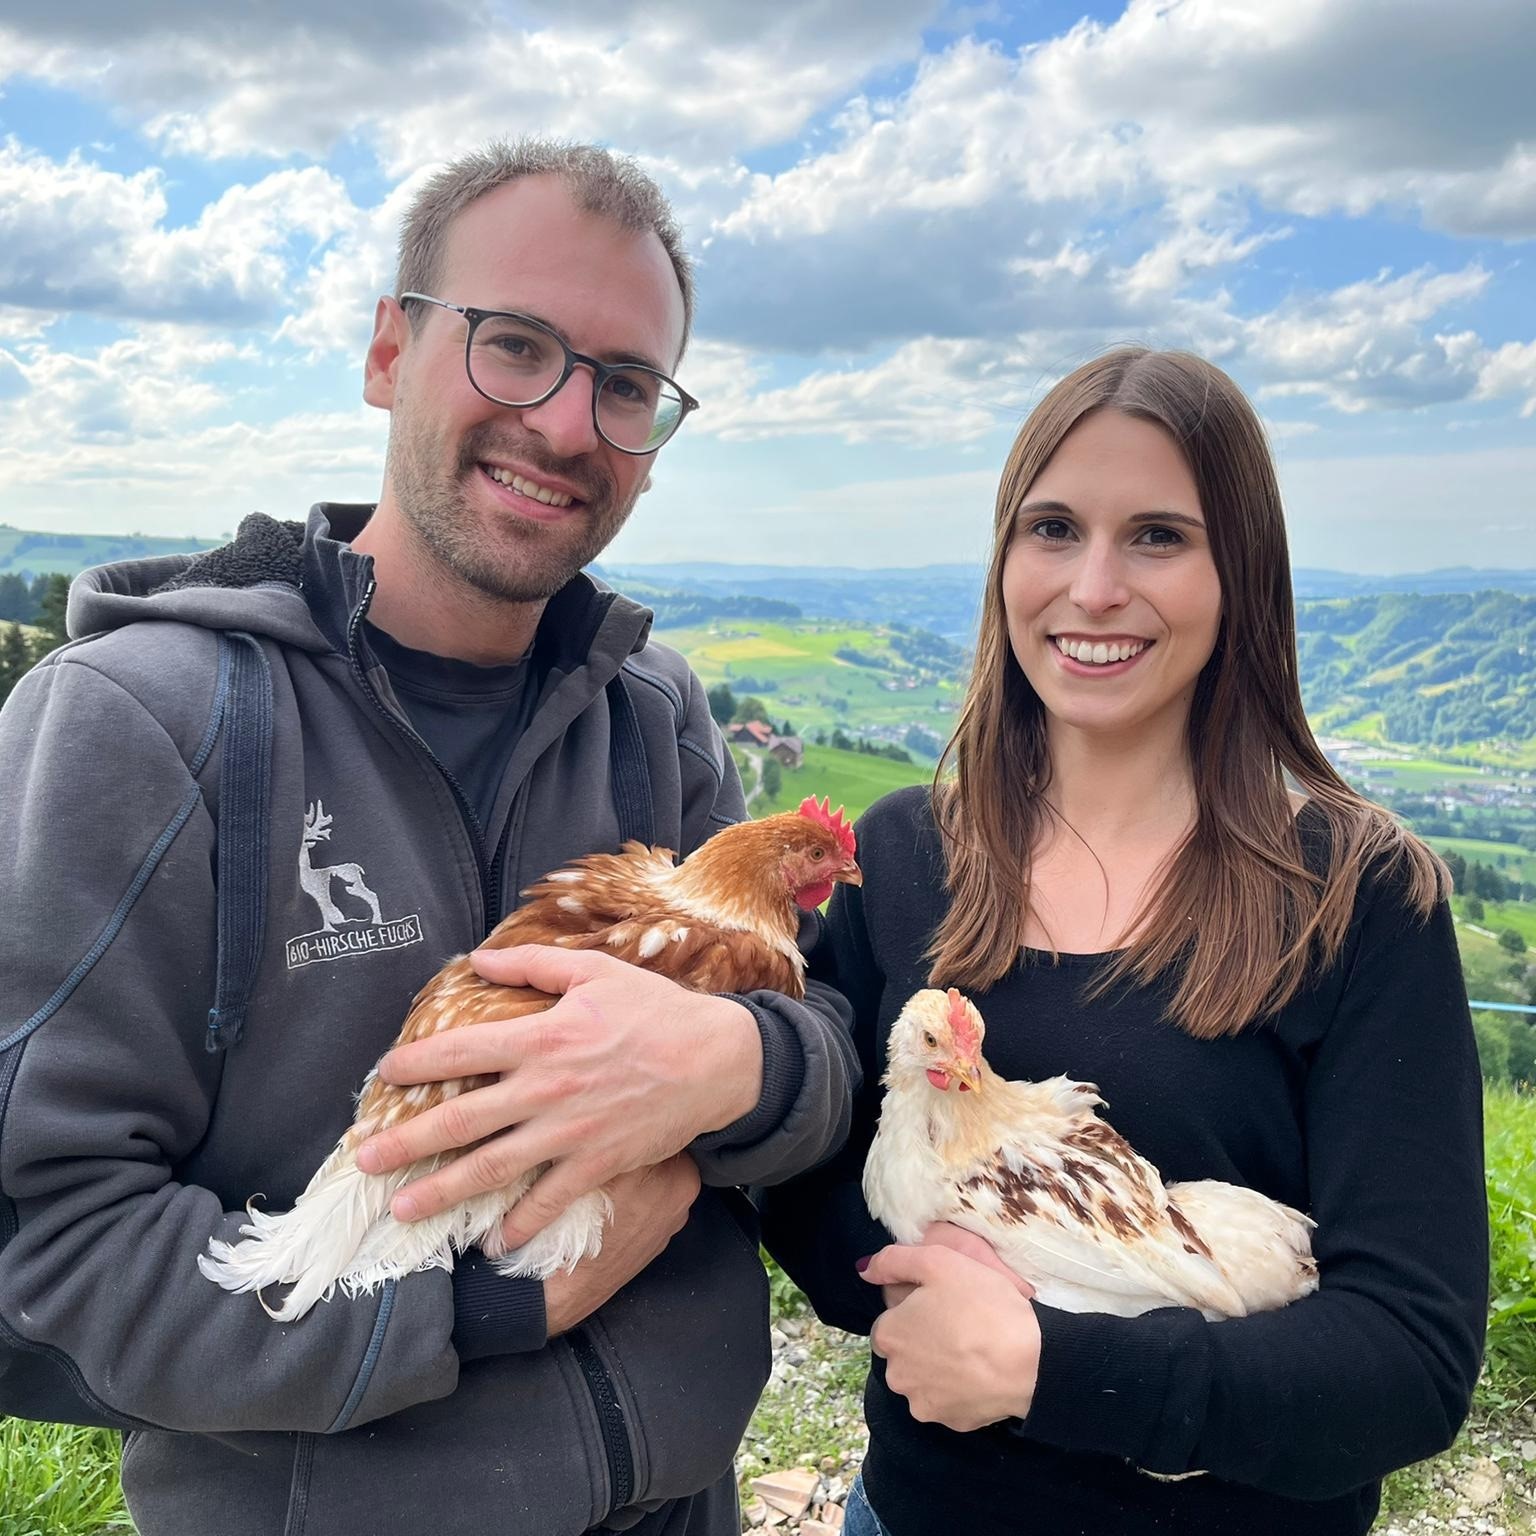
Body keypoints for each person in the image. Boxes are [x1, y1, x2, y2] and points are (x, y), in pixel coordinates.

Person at [0, 140, 857, 1536]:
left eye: (627, 384)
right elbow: (44, 1244)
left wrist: (736, 1063)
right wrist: (482, 1303)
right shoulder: (139, 724)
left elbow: (824, 1060)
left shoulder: (652, 717)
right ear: (388, 351)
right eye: (515, 345)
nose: (571, 424)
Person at [762, 348, 1487, 1536]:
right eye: (1052, 528)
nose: (1093, 588)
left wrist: (1051, 1364)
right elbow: (809, 1184)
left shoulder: (1358, 895)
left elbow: (1410, 1357)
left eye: (1158, 536)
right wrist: (938, 1272)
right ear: (1004, 558)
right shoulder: (905, 857)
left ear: (1239, 574)